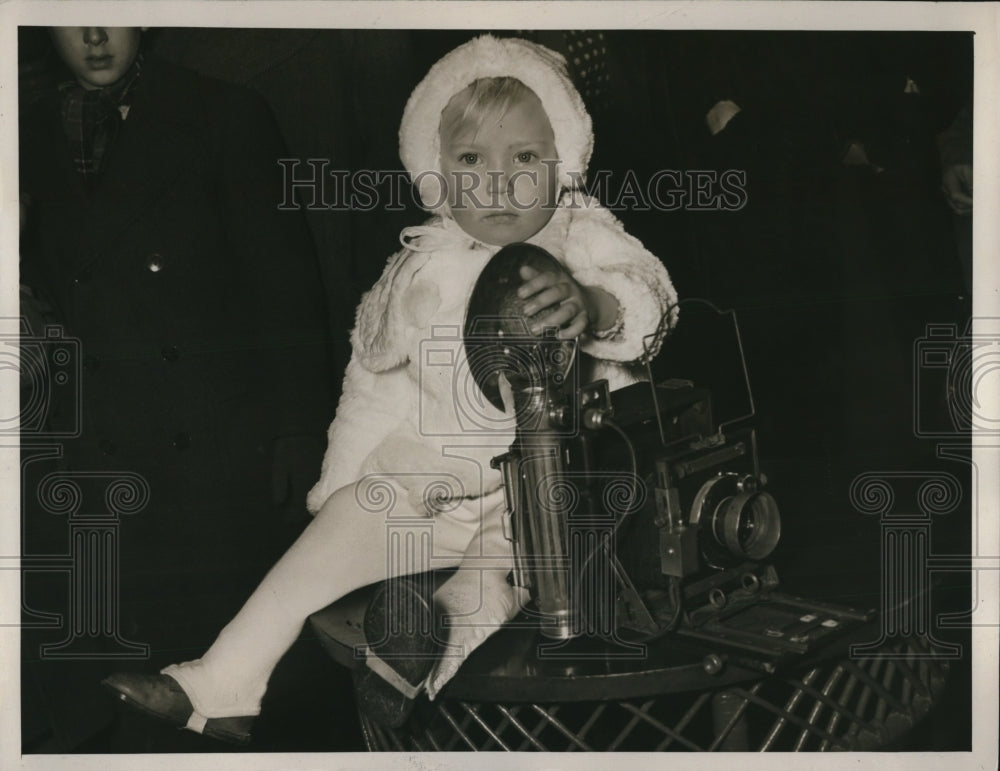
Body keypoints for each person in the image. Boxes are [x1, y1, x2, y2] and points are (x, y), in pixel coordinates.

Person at [103, 34, 678, 744]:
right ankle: (225, 679)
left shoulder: (580, 235)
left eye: (525, 158)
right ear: (434, 172)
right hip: (430, 489)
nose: (499, 183)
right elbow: (370, 389)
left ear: (563, 159)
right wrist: (336, 494)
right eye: (471, 160)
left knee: (492, 578)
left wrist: (594, 304)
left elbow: (651, 297)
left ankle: (411, 655)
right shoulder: (418, 267)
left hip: (549, 500)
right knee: (338, 528)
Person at [19, 27, 335, 750]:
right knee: (130, 697)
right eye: (72, 18)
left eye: (115, 13)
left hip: (216, 449)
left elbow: (286, 286)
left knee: (235, 686)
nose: (96, 37)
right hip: (98, 460)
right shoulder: (26, 134)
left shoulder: (226, 113)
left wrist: (297, 430)